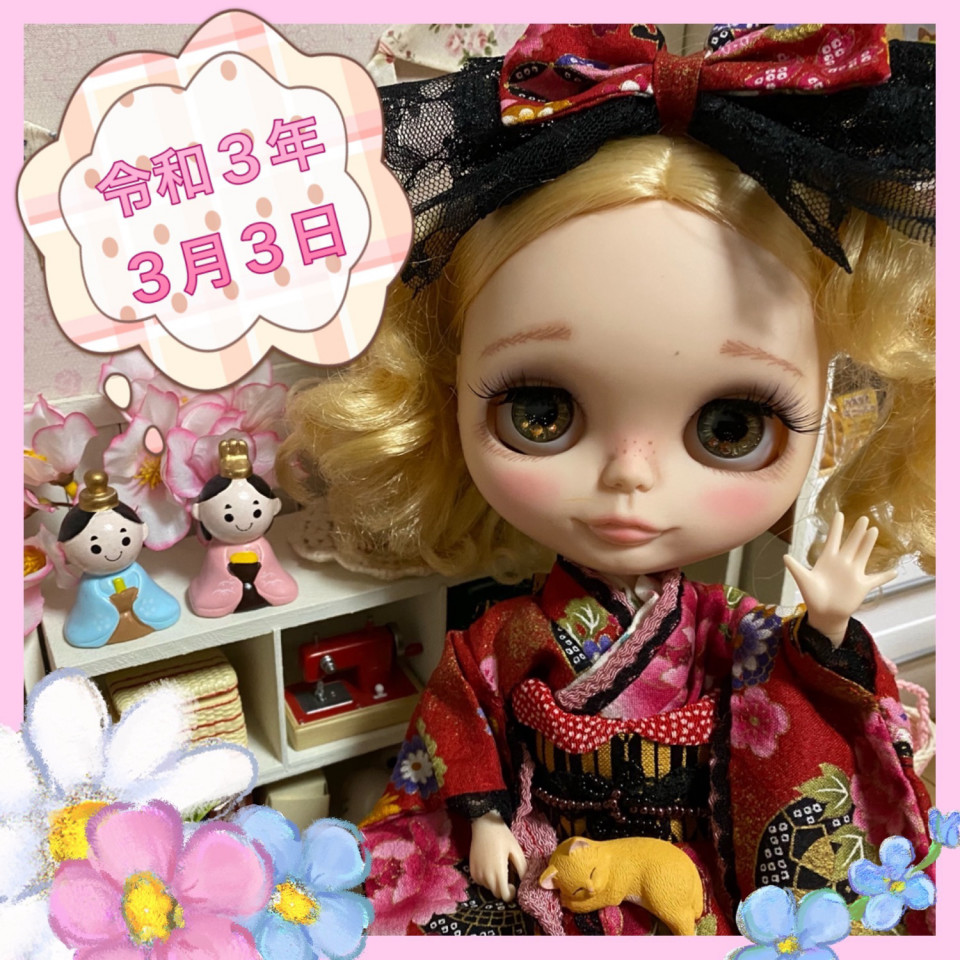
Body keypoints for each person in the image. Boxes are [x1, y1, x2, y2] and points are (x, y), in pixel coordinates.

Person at [279, 24, 934, 936]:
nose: (631, 477)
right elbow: (464, 719)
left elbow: (784, 720)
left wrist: (823, 637)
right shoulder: (505, 639)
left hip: (691, 851)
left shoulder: (723, 632)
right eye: (542, 411)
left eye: (729, 427)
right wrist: (483, 817)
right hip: (544, 845)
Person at [59, 470, 180, 646]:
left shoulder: (136, 572)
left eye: (125, 540)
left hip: (141, 612)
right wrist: (114, 604)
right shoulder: (91, 584)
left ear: (143, 531)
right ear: (65, 549)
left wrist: (134, 598)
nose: (112, 553)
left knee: (167, 611)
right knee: (84, 633)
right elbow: (92, 607)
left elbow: (150, 595)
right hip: (104, 623)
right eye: (95, 548)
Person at [188, 438, 297, 617]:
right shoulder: (217, 551)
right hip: (225, 588)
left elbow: (270, 570)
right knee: (211, 598)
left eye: (257, 513)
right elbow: (217, 574)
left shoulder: (261, 545)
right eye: (228, 516)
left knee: (283, 589)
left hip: (261, 582)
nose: (244, 525)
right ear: (199, 512)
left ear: (274, 507)